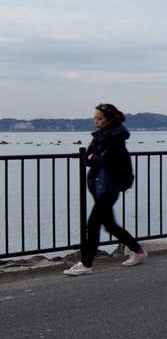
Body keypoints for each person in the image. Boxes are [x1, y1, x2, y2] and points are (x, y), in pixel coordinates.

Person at [64, 103, 147, 276]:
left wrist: (94, 158)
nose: (96, 121)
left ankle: (86, 264)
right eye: (95, 118)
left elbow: (102, 160)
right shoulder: (101, 136)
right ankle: (138, 251)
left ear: (110, 120)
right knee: (109, 225)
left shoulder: (115, 139)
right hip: (100, 186)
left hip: (109, 186)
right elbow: (87, 158)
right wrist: (93, 158)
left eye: (100, 118)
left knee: (93, 224)